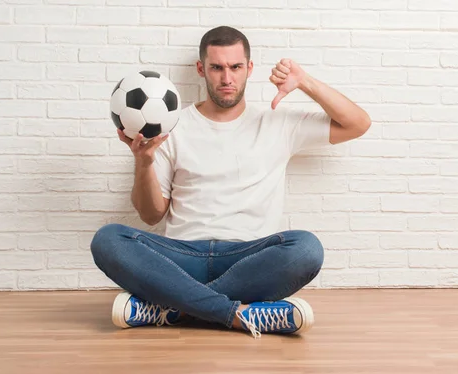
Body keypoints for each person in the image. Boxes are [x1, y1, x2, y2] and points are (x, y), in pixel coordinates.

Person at [91, 25, 371, 339]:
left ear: (249, 68)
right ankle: (235, 314)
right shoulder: (171, 125)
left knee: (306, 249)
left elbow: (358, 123)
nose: (227, 78)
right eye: (217, 68)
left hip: (249, 260)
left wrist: (304, 81)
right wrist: (143, 163)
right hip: (181, 258)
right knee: (108, 239)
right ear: (201, 69)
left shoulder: (276, 123)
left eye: (236, 67)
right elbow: (151, 215)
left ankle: (173, 309)